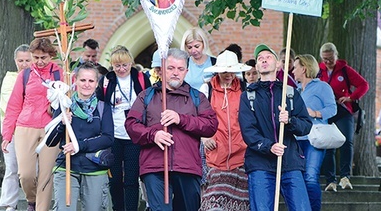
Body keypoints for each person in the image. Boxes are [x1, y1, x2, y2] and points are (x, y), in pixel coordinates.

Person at [125, 48, 218, 211]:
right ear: (162, 69)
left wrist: (181, 119)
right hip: (154, 167)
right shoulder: (146, 96)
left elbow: (210, 125)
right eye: (171, 68)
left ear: (186, 71)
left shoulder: (197, 97)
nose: (176, 73)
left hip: (187, 167)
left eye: (180, 69)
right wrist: (153, 135)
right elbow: (131, 125)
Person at [238, 44, 312, 211]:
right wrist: (269, 147)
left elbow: (306, 126)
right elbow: (248, 131)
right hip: (260, 163)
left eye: (268, 56)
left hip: (290, 162)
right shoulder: (248, 96)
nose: (264, 59)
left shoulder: (290, 93)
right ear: (256, 66)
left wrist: (290, 121)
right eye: (260, 58)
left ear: (278, 64)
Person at [1, 38, 63, 211]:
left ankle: (41, 209)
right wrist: (7, 135)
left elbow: (67, 102)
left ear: (51, 55)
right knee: (25, 174)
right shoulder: (25, 74)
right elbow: (13, 106)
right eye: (35, 57)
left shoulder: (59, 73)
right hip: (25, 125)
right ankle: (32, 200)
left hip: (50, 127)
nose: (39, 61)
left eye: (43, 57)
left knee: (45, 175)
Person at [46, 62, 114, 210]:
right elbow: (50, 141)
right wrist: (61, 125)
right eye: (83, 80)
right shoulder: (65, 105)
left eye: (91, 81)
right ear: (76, 80)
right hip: (67, 168)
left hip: (94, 169)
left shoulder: (103, 108)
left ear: (97, 83)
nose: (86, 84)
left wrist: (79, 146)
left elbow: (108, 138)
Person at [96, 45, 151, 211]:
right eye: (117, 66)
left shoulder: (141, 78)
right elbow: (100, 104)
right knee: (115, 179)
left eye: (125, 65)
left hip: (134, 135)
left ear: (131, 63)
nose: (121, 69)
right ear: (112, 66)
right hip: (114, 135)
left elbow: (150, 102)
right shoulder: (107, 80)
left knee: (131, 179)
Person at [199, 50, 251, 210]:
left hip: (241, 156)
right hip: (214, 156)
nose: (228, 74)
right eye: (224, 71)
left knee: (239, 204)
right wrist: (203, 137)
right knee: (213, 204)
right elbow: (197, 118)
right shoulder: (206, 89)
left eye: (232, 70)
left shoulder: (245, 89)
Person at [318, 42, 369, 191]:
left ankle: (345, 177)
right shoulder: (318, 72)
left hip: (343, 110)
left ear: (336, 55)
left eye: (330, 58)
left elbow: (363, 84)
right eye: (325, 59)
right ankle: (330, 180)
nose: (328, 62)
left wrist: (351, 97)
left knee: (347, 141)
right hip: (326, 111)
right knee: (329, 145)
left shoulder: (344, 70)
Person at [292, 54, 337, 211]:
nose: (292, 70)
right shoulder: (296, 91)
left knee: (310, 178)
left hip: (314, 139)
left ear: (304, 69)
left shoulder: (322, 87)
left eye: (295, 67)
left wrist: (316, 113)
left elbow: (333, 109)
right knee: (298, 179)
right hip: (296, 140)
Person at [0, 44, 32, 211]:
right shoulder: (10, 79)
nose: (24, 64)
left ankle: (34, 201)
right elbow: (8, 107)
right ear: (15, 61)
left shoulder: (36, 78)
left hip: (32, 129)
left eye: (28, 60)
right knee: (12, 168)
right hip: (12, 131)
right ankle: (9, 204)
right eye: (21, 60)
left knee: (33, 170)